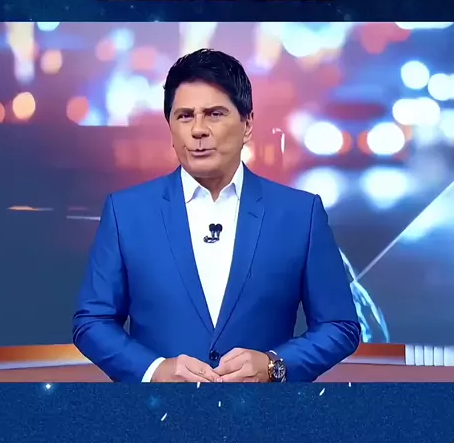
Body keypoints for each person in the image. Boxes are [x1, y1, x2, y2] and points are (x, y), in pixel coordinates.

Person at [73, 48, 360, 382]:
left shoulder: (300, 214)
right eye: (185, 116)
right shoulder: (126, 212)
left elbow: (339, 326)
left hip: (263, 411)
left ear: (247, 124)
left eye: (214, 114)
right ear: (170, 127)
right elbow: (91, 322)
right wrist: (154, 371)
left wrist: (274, 365)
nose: (198, 130)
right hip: (158, 409)